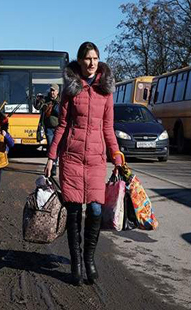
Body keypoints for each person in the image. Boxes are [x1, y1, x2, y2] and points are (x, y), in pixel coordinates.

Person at [44, 41, 123, 286]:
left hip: (96, 160)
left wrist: (117, 156)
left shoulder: (106, 91)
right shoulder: (71, 89)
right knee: (75, 211)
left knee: (97, 209)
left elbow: (108, 128)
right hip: (73, 158)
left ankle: (89, 259)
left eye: (95, 58)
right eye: (87, 58)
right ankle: (76, 261)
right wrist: (51, 156)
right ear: (79, 61)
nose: (91, 63)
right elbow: (63, 125)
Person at [35, 83, 61, 175]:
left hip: (58, 128)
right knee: (51, 146)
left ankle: (53, 164)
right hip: (48, 128)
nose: (52, 92)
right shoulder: (46, 99)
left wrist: (55, 107)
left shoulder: (60, 101)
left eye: (54, 90)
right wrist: (38, 100)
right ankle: (52, 165)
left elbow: (61, 113)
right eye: (51, 90)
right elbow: (37, 107)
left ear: (57, 91)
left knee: (56, 147)